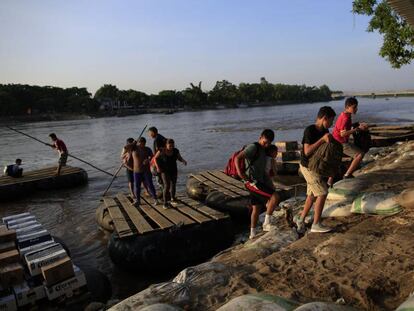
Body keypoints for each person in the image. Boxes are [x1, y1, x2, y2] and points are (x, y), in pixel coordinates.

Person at [295, 106, 336, 234]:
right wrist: (322, 140)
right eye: (330, 121)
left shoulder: (325, 130)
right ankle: (316, 224)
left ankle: (301, 220)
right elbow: (306, 152)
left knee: (311, 195)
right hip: (307, 166)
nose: (331, 124)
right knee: (323, 193)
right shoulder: (310, 130)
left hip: (316, 166)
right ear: (324, 118)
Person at [235, 129, 283, 239]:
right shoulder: (253, 147)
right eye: (264, 142)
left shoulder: (263, 150)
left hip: (258, 182)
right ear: (260, 137)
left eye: (268, 143)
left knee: (256, 207)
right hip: (252, 182)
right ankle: (266, 224)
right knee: (275, 196)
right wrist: (240, 173)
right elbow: (238, 157)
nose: (266, 145)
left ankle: (252, 233)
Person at [332, 97, 368, 179]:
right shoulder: (345, 118)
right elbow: (343, 133)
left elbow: (345, 128)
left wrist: (357, 125)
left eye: (356, 107)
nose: (356, 109)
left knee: (355, 150)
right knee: (360, 154)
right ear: (347, 107)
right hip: (340, 142)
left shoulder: (344, 114)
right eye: (354, 107)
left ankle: (349, 170)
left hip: (336, 140)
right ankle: (347, 175)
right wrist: (358, 129)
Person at [154, 139, 187, 209]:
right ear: (166, 145)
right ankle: (165, 203)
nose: (171, 147)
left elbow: (179, 158)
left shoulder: (175, 150)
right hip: (164, 171)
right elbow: (155, 158)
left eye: (173, 145)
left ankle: (173, 198)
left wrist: (183, 160)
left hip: (173, 170)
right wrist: (157, 167)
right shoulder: (161, 150)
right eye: (170, 146)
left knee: (173, 184)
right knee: (167, 185)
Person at [128, 142, 158, 207]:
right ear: (138, 144)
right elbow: (125, 147)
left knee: (150, 185)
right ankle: (138, 201)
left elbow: (153, 157)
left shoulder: (147, 149)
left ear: (144, 143)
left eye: (143, 144)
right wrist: (133, 143)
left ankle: (155, 199)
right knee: (137, 186)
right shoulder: (133, 148)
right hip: (136, 171)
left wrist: (148, 159)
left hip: (146, 171)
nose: (141, 146)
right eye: (140, 144)